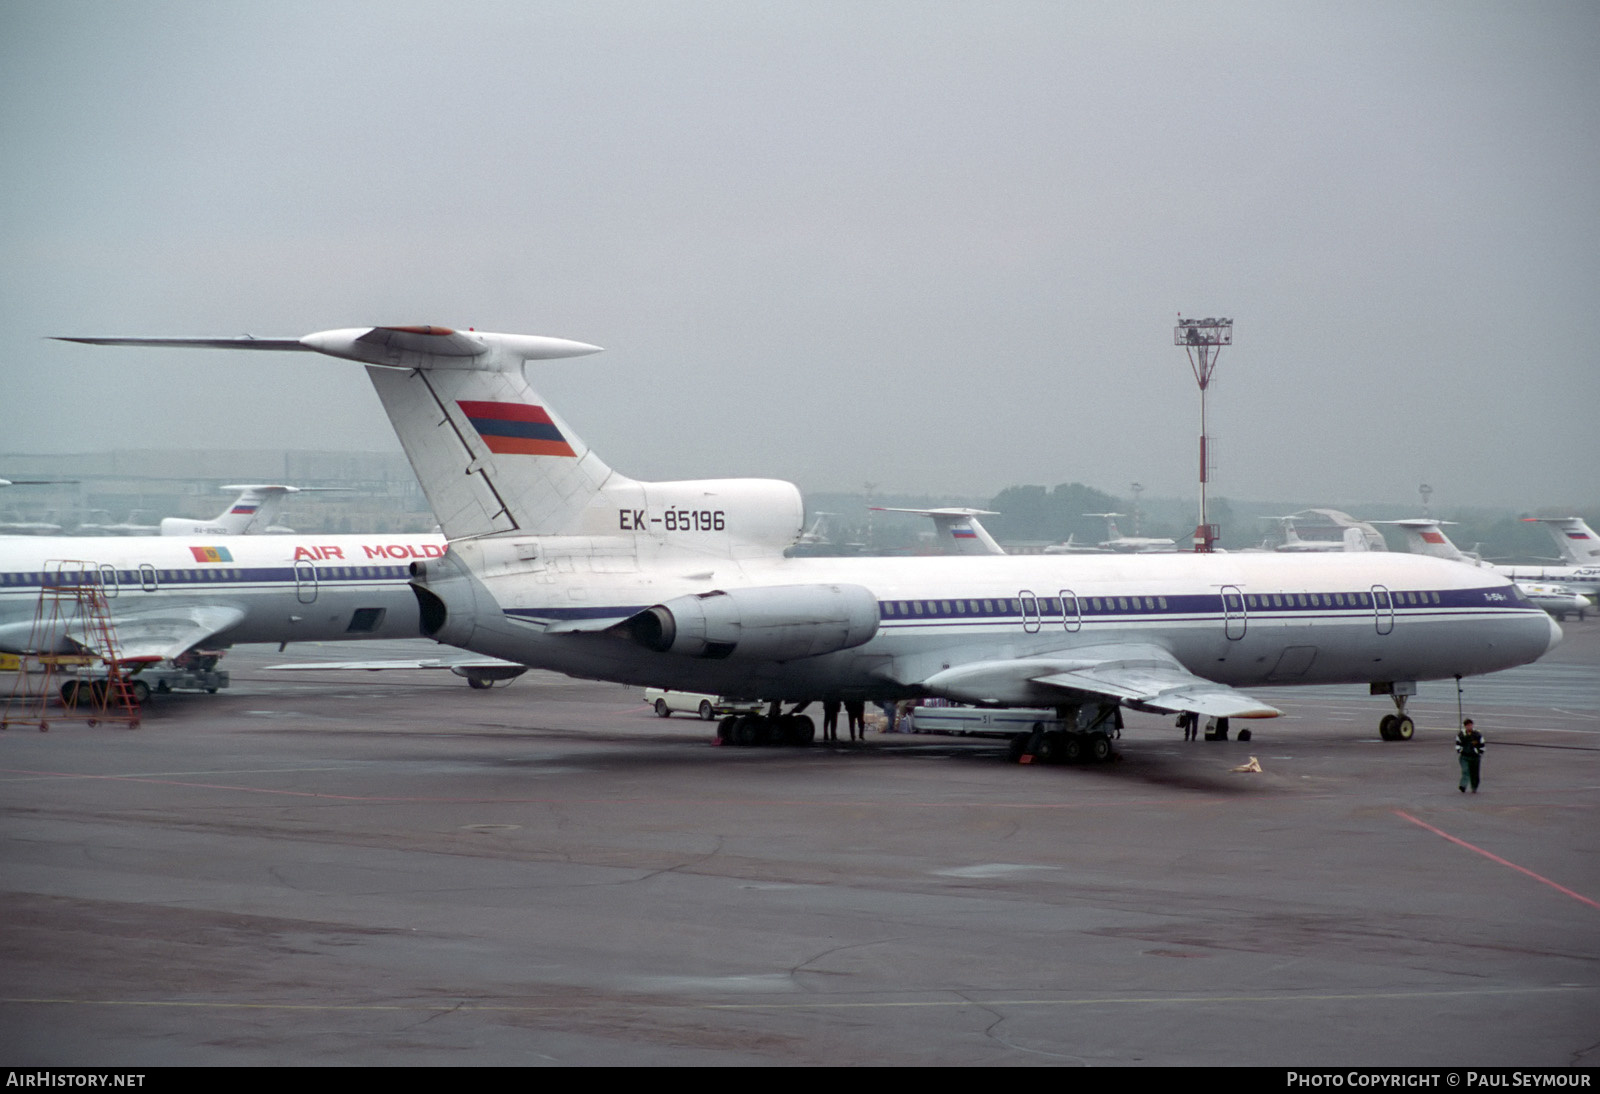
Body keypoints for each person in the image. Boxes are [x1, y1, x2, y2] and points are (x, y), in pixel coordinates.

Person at [1455, 718, 1485, 793]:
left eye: (1470, 725)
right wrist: (1461, 751)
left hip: (1475, 757)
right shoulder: (1461, 735)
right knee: (1465, 770)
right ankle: (1463, 786)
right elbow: (1458, 744)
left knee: (1475, 773)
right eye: (1468, 725)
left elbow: (1482, 745)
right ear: (1465, 726)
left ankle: (1474, 787)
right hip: (1464, 757)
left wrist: (1478, 752)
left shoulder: (1477, 735)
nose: (1469, 727)